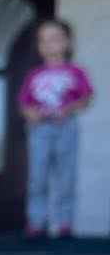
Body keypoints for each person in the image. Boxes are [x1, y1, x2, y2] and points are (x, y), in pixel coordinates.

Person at [18, 19, 94, 239]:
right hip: (39, 130)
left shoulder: (76, 72)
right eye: (43, 40)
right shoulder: (34, 75)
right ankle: (36, 223)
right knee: (37, 176)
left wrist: (68, 109)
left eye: (55, 38)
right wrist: (30, 113)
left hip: (65, 128)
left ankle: (64, 224)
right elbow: (25, 103)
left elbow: (86, 98)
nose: (49, 44)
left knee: (65, 176)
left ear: (67, 43)